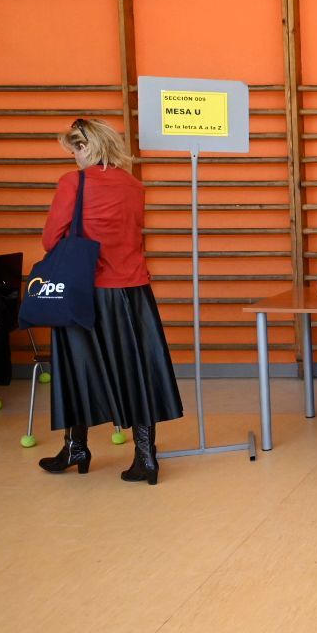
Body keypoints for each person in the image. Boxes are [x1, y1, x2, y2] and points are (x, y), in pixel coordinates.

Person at [37, 118, 182, 484]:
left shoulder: (74, 183)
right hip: (133, 290)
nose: (74, 159)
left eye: (75, 150)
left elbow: (51, 239)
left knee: (76, 369)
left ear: (87, 146)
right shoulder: (134, 185)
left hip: (87, 290)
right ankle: (146, 456)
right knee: (137, 369)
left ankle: (76, 446)